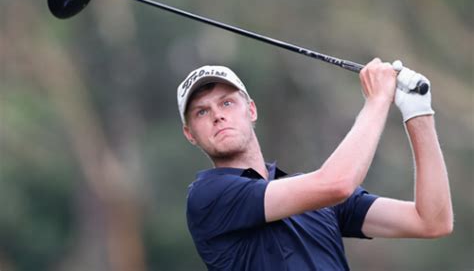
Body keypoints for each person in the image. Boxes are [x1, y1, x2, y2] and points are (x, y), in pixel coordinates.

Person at [176, 59, 453, 271]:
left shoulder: (317, 198)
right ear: (190, 134)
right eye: (202, 111)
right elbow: (338, 183)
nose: (217, 116)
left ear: (251, 110)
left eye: (227, 103)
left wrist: (418, 112)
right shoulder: (208, 196)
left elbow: (432, 221)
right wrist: (378, 99)